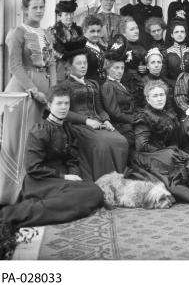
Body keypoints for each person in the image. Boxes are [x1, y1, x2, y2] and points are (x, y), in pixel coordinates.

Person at [0, 86, 103, 232]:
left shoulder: (67, 129)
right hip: (39, 181)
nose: (63, 108)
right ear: (49, 105)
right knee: (91, 193)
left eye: (66, 103)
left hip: (61, 180)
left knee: (94, 191)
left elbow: (72, 159)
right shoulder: (40, 130)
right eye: (59, 103)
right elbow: (33, 168)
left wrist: (73, 175)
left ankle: (52, 206)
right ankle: (12, 215)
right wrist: (64, 176)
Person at [130, 80, 189, 204]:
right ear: (148, 99)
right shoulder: (143, 117)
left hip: (167, 152)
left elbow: (176, 139)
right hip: (147, 156)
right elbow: (142, 145)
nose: (159, 99)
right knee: (177, 160)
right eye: (155, 96)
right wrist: (169, 151)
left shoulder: (169, 114)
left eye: (162, 95)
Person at [59, 48, 129, 181]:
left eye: (85, 63)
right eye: (79, 63)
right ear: (70, 66)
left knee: (121, 141)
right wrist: (86, 121)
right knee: (101, 144)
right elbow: (65, 112)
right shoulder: (65, 86)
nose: (83, 66)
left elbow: (100, 108)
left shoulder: (93, 84)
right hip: (78, 125)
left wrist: (106, 120)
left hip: (99, 123)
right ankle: (103, 182)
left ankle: (118, 180)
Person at [4, 0, 56, 124]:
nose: (39, 11)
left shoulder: (47, 34)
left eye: (42, 7)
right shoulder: (18, 33)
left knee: (41, 131)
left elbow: (52, 64)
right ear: (25, 9)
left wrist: (53, 90)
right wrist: (33, 90)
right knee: (25, 130)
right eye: (35, 7)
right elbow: (15, 66)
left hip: (45, 88)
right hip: (24, 87)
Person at [100, 40, 138, 147]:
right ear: (108, 69)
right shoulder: (107, 86)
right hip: (121, 126)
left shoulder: (122, 85)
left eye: (122, 68)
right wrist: (134, 120)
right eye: (116, 68)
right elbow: (114, 113)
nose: (120, 71)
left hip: (129, 122)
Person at [50, 0, 84, 82]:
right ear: (59, 15)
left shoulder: (78, 30)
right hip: (61, 69)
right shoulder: (53, 31)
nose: (70, 17)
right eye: (66, 14)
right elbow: (61, 54)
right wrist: (79, 49)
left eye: (71, 14)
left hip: (78, 68)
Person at [119, 17, 147, 105]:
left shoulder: (141, 47)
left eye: (136, 28)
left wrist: (145, 68)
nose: (136, 31)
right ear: (124, 33)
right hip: (125, 88)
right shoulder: (119, 48)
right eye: (132, 29)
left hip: (141, 87)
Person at [162, 21, 189, 87]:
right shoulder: (166, 53)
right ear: (172, 35)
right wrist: (176, 85)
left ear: (185, 34)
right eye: (176, 32)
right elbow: (163, 76)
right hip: (173, 88)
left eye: (182, 32)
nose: (179, 34)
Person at [83, 15, 106, 83]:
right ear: (84, 31)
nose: (96, 34)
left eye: (98, 31)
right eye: (92, 31)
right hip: (88, 87)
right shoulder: (81, 48)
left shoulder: (100, 46)